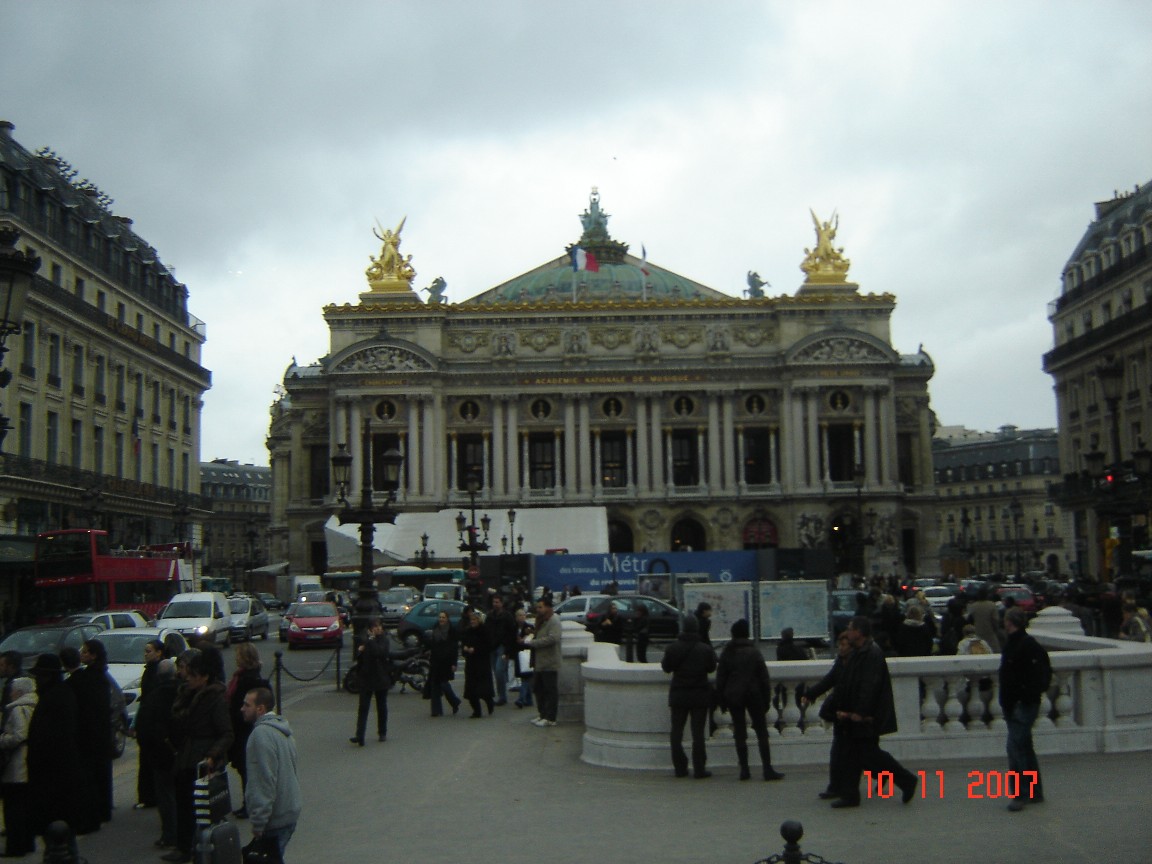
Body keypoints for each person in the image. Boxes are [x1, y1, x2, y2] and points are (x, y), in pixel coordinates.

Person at [829, 616, 917, 808]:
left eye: (850, 628)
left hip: (867, 717)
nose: (847, 631)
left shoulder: (871, 654)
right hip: (859, 714)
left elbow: (869, 686)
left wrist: (859, 713)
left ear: (859, 633)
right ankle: (852, 794)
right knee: (858, 754)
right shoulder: (862, 652)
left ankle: (906, 780)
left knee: (867, 754)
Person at [167, 651, 233, 863]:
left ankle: (201, 848)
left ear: (204, 677)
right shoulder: (186, 694)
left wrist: (212, 756)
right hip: (186, 757)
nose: (188, 678)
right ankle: (184, 846)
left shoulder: (214, 698)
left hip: (203, 761)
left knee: (203, 809)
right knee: (184, 805)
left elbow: (227, 733)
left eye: (193, 675)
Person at [716, 619, 784, 782]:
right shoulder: (754, 652)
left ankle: (744, 769)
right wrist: (767, 700)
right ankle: (767, 768)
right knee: (761, 732)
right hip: (754, 695)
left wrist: (722, 700)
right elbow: (764, 678)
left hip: (734, 695)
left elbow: (721, 678)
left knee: (739, 732)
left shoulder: (728, 652)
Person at [999, 607, 1050, 812]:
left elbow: (1039, 676)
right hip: (1016, 703)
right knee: (1025, 747)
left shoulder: (1026, 646)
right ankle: (1035, 792)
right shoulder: (1017, 643)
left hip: (1022, 703)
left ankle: (1020, 794)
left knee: (1015, 748)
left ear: (1010, 622)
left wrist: (1024, 696)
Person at [241, 686, 301, 860]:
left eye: (247, 705)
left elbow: (263, 781)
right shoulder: (282, 729)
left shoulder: (260, 735)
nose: (242, 708)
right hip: (290, 809)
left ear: (260, 709)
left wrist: (258, 822)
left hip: (275, 817)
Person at [27, 654, 80, 848]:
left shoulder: (56, 698)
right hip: (55, 776)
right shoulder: (58, 694)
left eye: (39, 676)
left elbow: (53, 738)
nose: (36, 680)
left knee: (59, 830)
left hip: (54, 777)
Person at [660, 614, 717, 778]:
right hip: (699, 694)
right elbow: (711, 668)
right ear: (697, 628)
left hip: (679, 694)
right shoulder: (705, 649)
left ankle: (680, 767)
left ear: (683, 628)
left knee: (676, 732)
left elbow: (666, 667)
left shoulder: (673, 648)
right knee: (698, 733)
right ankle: (699, 768)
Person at [801, 632, 852, 800]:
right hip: (842, 715)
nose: (841, 648)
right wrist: (810, 694)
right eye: (840, 645)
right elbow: (828, 681)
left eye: (845, 645)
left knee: (868, 755)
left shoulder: (856, 664)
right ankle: (836, 787)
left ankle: (902, 779)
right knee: (838, 753)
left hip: (853, 715)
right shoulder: (840, 663)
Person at [69, 639, 113, 833]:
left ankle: (97, 811)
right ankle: (104, 808)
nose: (82, 654)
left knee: (92, 776)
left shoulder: (89, 678)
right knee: (101, 773)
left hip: (91, 735)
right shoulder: (101, 676)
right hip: (101, 734)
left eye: (86, 652)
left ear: (94, 655)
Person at [136, 658, 179, 851]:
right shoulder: (183, 692)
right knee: (180, 794)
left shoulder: (154, 698)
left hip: (160, 755)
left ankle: (170, 833)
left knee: (166, 796)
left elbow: (143, 729)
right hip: (181, 752)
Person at [228, 642, 271, 812]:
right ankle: (250, 803)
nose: (236, 658)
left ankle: (250, 804)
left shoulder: (247, 680)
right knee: (246, 768)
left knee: (247, 768)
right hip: (244, 728)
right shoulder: (245, 677)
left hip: (245, 729)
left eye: (238, 655)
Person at [0, 676, 37, 857]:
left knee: (13, 808)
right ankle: (27, 843)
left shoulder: (17, 709)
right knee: (26, 807)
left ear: (19, 692)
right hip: (30, 762)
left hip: (16, 764)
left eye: (13, 690)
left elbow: (19, 735)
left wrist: (2, 739)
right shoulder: (35, 705)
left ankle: (15, 846)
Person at [134, 639, 165, 810]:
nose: (146, 654)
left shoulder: (158, 671)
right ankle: (147, 795)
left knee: (149, 760)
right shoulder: (149, 670)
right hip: (146, 720)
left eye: (149, 651)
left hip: (152, 722)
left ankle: (150, 796)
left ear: (159, 652)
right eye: (145, 651)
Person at [350, 619, 390, 744]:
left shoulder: (384, 640)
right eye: (375, 627)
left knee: (381, 706)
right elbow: (359, 658)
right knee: (363, 707)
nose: (378, 629)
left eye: (379, 627)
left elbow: (380, 652)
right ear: (370, 629)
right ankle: (360, 735)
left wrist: (370, 642)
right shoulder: (366, 641)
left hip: (380, 677)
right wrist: (360, 652)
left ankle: (382, 732)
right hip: (366, 678)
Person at [528, 597, 562, 727]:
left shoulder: (554, 620)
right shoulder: (541, 620)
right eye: (537, 607)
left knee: (550, 691)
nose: (538, 609)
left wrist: (534, 643)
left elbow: (553, 638)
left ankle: (550, 718)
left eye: (540, 607)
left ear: (548, 607)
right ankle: (542, 714)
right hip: (539, 661)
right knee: (539, 689)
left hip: (549, 662)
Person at [426, 611, 461, 717]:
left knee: (444, 684)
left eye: (443, 617)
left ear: (447, 619)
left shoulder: (451, 631)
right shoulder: (435, 628)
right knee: (435, 685)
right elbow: (432, 643)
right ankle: (436, 710)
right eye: (440, 617)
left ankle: (454, 701)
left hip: (446, 661)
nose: (441, 619)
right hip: (435, 661)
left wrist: (454, 663)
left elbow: (454, 648)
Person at [461, 611, 495, 718]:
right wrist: (465, 649)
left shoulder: (484, 631)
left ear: (479, 620)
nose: (473, 622)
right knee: (471, 689)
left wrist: (475, 649)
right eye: (471, 620)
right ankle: (476, 711)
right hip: (471, 663)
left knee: (483, 689)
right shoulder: (468, 631)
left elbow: (488, 646)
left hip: (482, 663)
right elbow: (463, 644)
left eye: (475, 620)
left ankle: (489, 702)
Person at [485, 595, 516, 706]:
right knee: (496, 671)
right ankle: (501, 694)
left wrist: (508, 650)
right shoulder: (489, 616)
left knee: (499, 671)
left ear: (502, 603)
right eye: (494, 602)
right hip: (491, 647)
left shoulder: (507, 616)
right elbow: (485, 630)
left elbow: (512, 633)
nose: (495, 604)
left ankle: (502, 696)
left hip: (502, 646)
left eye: (497, 602)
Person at [513, 608, 534, 708]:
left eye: (523, 615)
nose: (522, 617)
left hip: (527, 654)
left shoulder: (529, 627)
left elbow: (532, 638)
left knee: (526, 677)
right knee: (525, 677)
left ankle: (521, 698)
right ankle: (529, 699)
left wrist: (526, 638)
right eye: (519, 615)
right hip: (518, 654)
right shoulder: (514, 628)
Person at [968, 588, 1002, 652]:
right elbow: (995, 620)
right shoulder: (992, 605)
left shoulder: (973, 606)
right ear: (987, 595)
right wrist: (996, 629)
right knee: (995, 651)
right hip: (990, 633)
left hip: (978, 633)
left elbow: (969, 620)